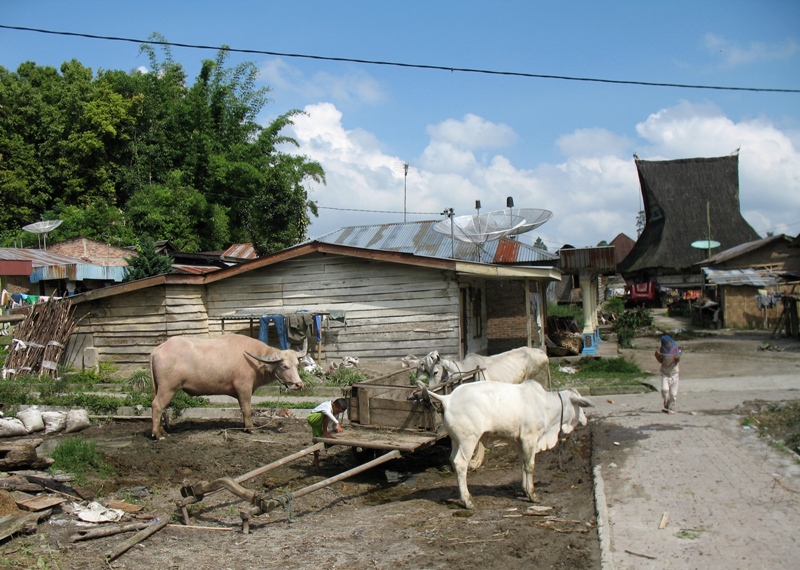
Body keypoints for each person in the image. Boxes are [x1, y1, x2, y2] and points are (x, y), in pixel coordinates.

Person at [307, 398, 348, 472]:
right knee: (325, 414)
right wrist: (337, 423)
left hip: (318, 424)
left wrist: (335, 428)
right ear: (333, 405)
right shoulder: (326, 406)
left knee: (317, 441)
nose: (337, 412)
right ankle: (325, 432)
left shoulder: (333, 409)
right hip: (313, 419)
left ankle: (315, 460)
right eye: (337, 410)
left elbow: (334, 416)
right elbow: (327, 413)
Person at [655, 335, 681, 413]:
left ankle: (671, 407)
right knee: (664, 389)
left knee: (673, 394)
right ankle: (666, 401)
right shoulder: (662, 350)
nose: (667, 345)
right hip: (665, 373)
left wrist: (677, 358)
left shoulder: (675, 349)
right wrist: (657, 355)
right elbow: (660, 361)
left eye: (668, 344)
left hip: (674, 374)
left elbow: (678, 359)